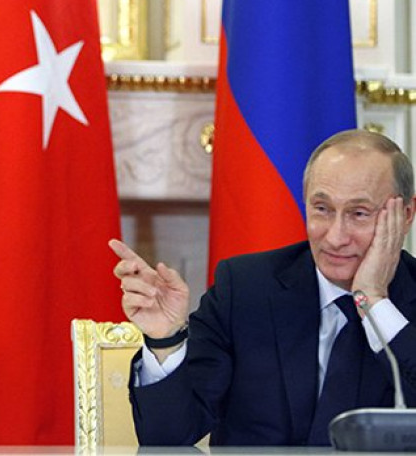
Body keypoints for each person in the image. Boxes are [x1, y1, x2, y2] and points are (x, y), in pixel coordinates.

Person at [110, 128, 416, 446]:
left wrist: (374, 300)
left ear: (406, 214)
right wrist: (166, 339)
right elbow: (167, 438)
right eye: (322, 209)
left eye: (359, 214)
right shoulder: (245, 289)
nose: (336, 237)